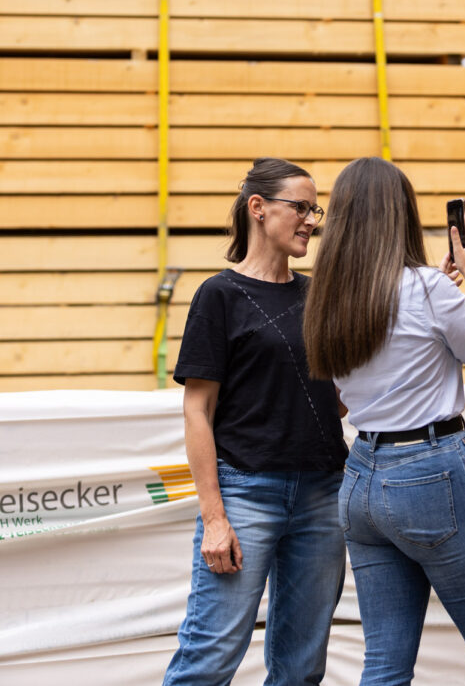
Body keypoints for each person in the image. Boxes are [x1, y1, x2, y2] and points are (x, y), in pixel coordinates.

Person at [303, 157, 465, 686]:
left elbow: (351, 382)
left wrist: (439, 292)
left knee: (385, 666)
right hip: (430, 475)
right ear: (401, 215)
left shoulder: (328, 299)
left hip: (361, 479)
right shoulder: (429, 289)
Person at [163, 157, 347, 686]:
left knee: (302, 668)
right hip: (245, 494)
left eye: (316, 211)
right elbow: (197, 411)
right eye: (301, 207)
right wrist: (214, 518)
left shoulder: (319, 295)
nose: (311, 220)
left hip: (323, 495)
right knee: (209, 659)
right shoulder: (218, 296)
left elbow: (337, 402)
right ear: (259, 208)